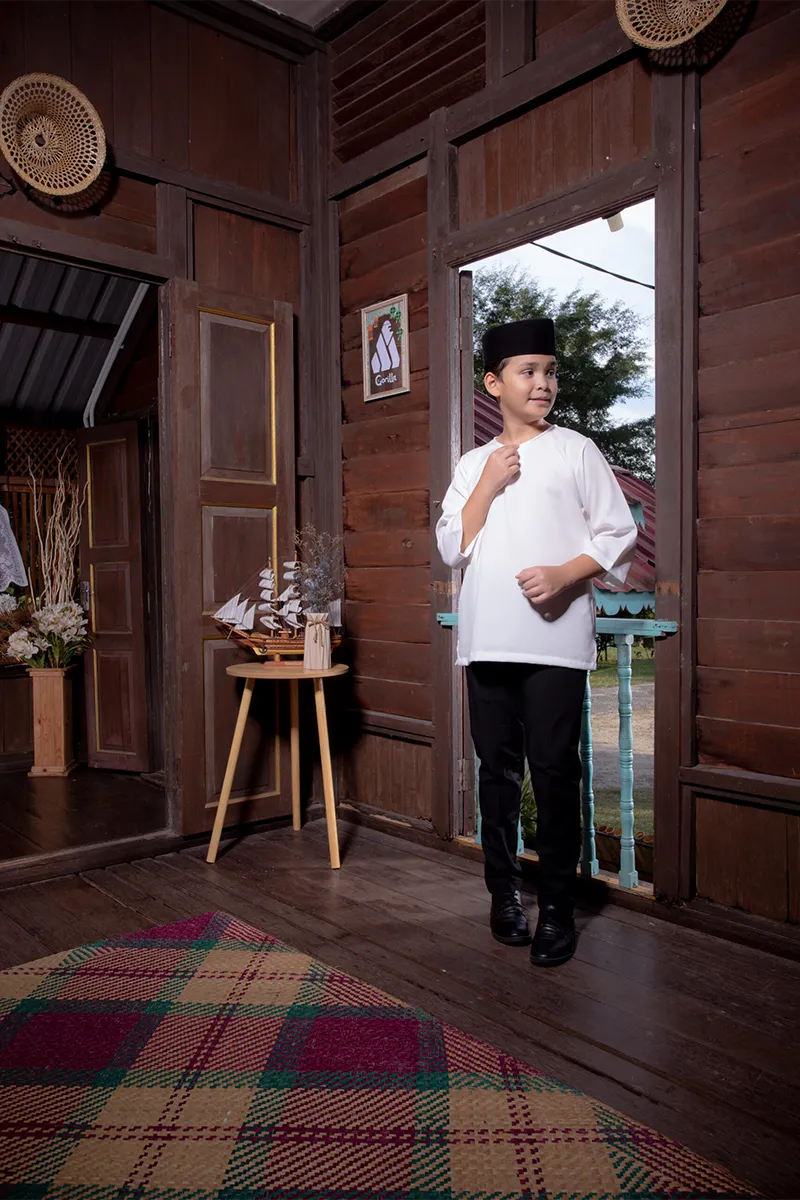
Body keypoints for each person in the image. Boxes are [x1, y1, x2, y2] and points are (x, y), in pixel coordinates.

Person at [436, 317, 637, 967]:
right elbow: (451, 548)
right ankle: (503, 896)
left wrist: (564, 574)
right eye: (527, 371)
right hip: (487, 638)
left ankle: (556, 909)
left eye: (549, 371)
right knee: (496, 775)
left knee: (554, 774)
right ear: (494, 383)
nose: (543, 382)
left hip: (554, 643)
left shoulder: (577, 450)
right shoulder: (473, 464)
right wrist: (488, 484)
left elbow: (616, 534)